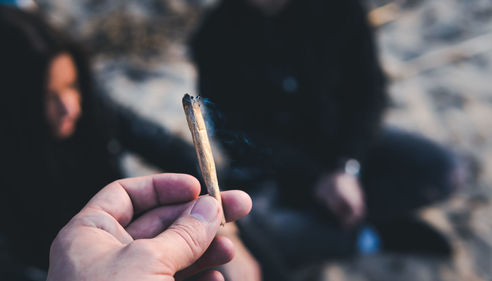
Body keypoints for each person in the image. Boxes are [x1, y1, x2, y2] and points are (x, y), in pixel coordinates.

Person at [191, 0, 460, 278]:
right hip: (274, 171)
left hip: (343, 147)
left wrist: (347, 167)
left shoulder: (341, 8)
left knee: (443, 169)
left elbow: (369, 93)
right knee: (249, 225)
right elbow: (235, 134)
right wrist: (317, 179)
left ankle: (346, 224)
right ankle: (369, 237)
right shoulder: (214, 35)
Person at [0, 4, 198, 274]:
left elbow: (164, 145)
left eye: (72, 85)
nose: (70, 106)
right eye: (48, 95)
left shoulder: (92, 107)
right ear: (10, 102)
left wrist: (222, 219)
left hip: (131, 240)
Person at [47, 173, 252, 281]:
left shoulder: (104, 116)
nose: (66, 105)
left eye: (72, 90)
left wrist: (226, 230)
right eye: (51, 97)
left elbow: (163, 146)